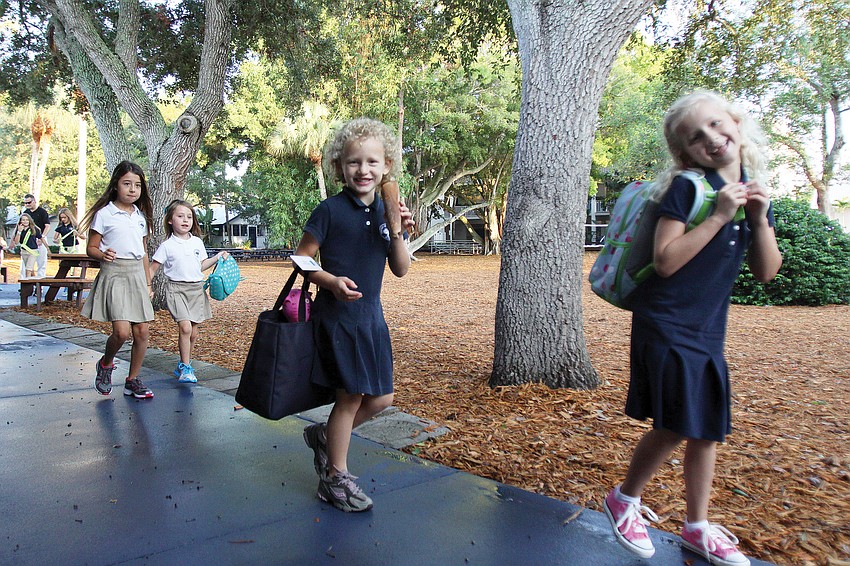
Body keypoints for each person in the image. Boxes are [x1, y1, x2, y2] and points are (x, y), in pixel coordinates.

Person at [602, 90, 782, 566]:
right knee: (679, 422)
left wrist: (758, 219)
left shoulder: (751, 190)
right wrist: (721, 214)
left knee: (705, 429)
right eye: (696, 136)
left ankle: (697, 526)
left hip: (706, 328)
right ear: (684, 153)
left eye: (718, 126)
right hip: (666, 322)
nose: (712, 139)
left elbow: (767, 272)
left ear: (737, 126)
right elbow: (665, 261)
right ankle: (625, 499)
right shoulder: (688, 187)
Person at [297, 117, 415, 513]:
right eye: (353, 162)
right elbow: (300, 258)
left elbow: (400, 268)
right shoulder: (329, 210)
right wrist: (329, 281)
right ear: (339, 167)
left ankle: (325, 437)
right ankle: (336, 478)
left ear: (386, 168)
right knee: (349, 398)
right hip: (338, 318)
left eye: (371, 162)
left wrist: (398, 231)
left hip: (371, 318)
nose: (362, 170)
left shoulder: (388, 211)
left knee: (382, 398)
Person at [79, 161, 156, 399]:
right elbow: (91, 248)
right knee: (121, 332)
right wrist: (103, 254)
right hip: (114, 274)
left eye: (137, 185)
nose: (132, 189)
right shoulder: (105, 214)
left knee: (142, 331)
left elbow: (143, 252)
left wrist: (148, 283)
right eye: (127, 184)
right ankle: (106, 364)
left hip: (136, 275)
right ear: (116, 186)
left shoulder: (141, 217)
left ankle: (132, 380)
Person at [149, 199, 228, 383]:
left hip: (196, 290)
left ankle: (184, 363)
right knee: (184, 328)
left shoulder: (197, 243)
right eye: (180, 216)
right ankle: (186, 368)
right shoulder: (167, 245)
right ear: (170, 220)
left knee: (193, 333)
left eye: (189, 217)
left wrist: (217, 257)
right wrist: (147, 287)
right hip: (176, 290)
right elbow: (152, 268)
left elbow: (200, 266)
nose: (185, 220)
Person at [21, 193, 50, 279]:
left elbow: (47, 226)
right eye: (25, 203)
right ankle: (27, 283)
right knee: (26, 264)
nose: (27, 205)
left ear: (34, 201)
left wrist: (42, 237)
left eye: (29, 202)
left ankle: (40, 284)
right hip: (28, 239)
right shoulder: (26, 213)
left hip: (40, 237)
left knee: (41, 262)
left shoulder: (42, 212)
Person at [11, 212, 43, 279]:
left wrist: (46, 247)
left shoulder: (34, 229)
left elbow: (40, 237)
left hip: (33, 251)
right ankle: (36, 284)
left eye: (27, 220)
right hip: (24, 251)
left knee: (28, 269)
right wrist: (19, 231)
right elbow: (16, 242)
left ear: (29, 220)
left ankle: (27, 286)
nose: (25, 221)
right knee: (30, 270)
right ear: (20, 221)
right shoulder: (19, 229)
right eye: (23, 220)